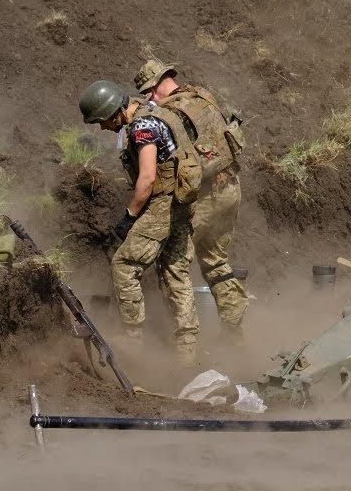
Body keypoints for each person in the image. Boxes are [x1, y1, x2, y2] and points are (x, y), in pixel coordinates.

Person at [78, 78, 199, 361]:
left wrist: (129, 216)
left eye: (102, 121)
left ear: (114, 112)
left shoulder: (142, 127)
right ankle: (188, 350)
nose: (103, 128)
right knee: (175, 270)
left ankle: (133, 339)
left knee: (124, 265)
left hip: (163, 204)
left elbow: (146, 180)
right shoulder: (153, 111)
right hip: (182, 202)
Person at [134, 60, 248, 336]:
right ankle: (235, 335)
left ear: (158, 85)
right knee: (216, 261)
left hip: (205, 196)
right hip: (231, 188)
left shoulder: (171, 115)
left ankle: (186, 344)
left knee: (174, 263)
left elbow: (176, 164)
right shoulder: (202, 95)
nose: (149, 99)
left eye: (149, 92)